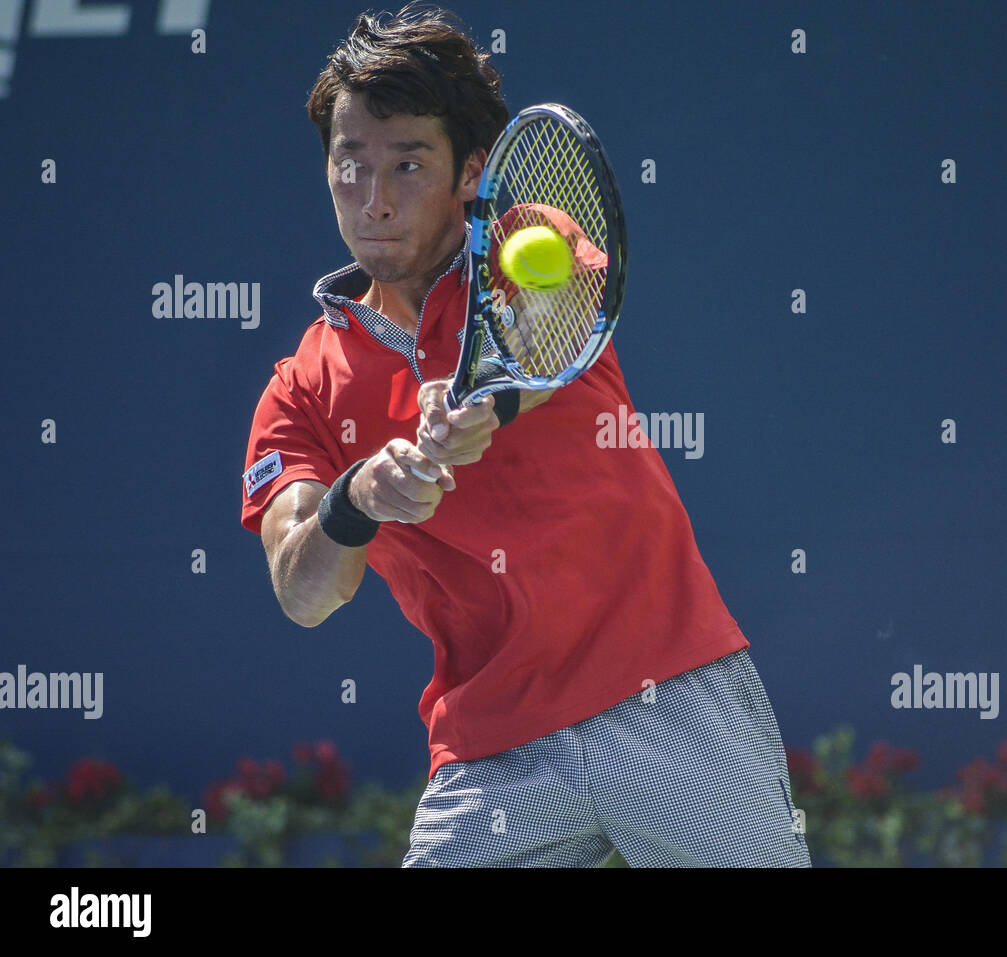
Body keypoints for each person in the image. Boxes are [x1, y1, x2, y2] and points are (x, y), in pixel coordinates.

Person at [240, 2, 810, 868]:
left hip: (667, 688)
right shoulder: (299, 390)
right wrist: (359, 498)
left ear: (472, 171)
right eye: (350, 162)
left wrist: (489, 403)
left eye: (408, 163)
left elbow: (557, 320)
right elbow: (303, 590)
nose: (375, 198)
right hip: (493, 748)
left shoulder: (526, 238)